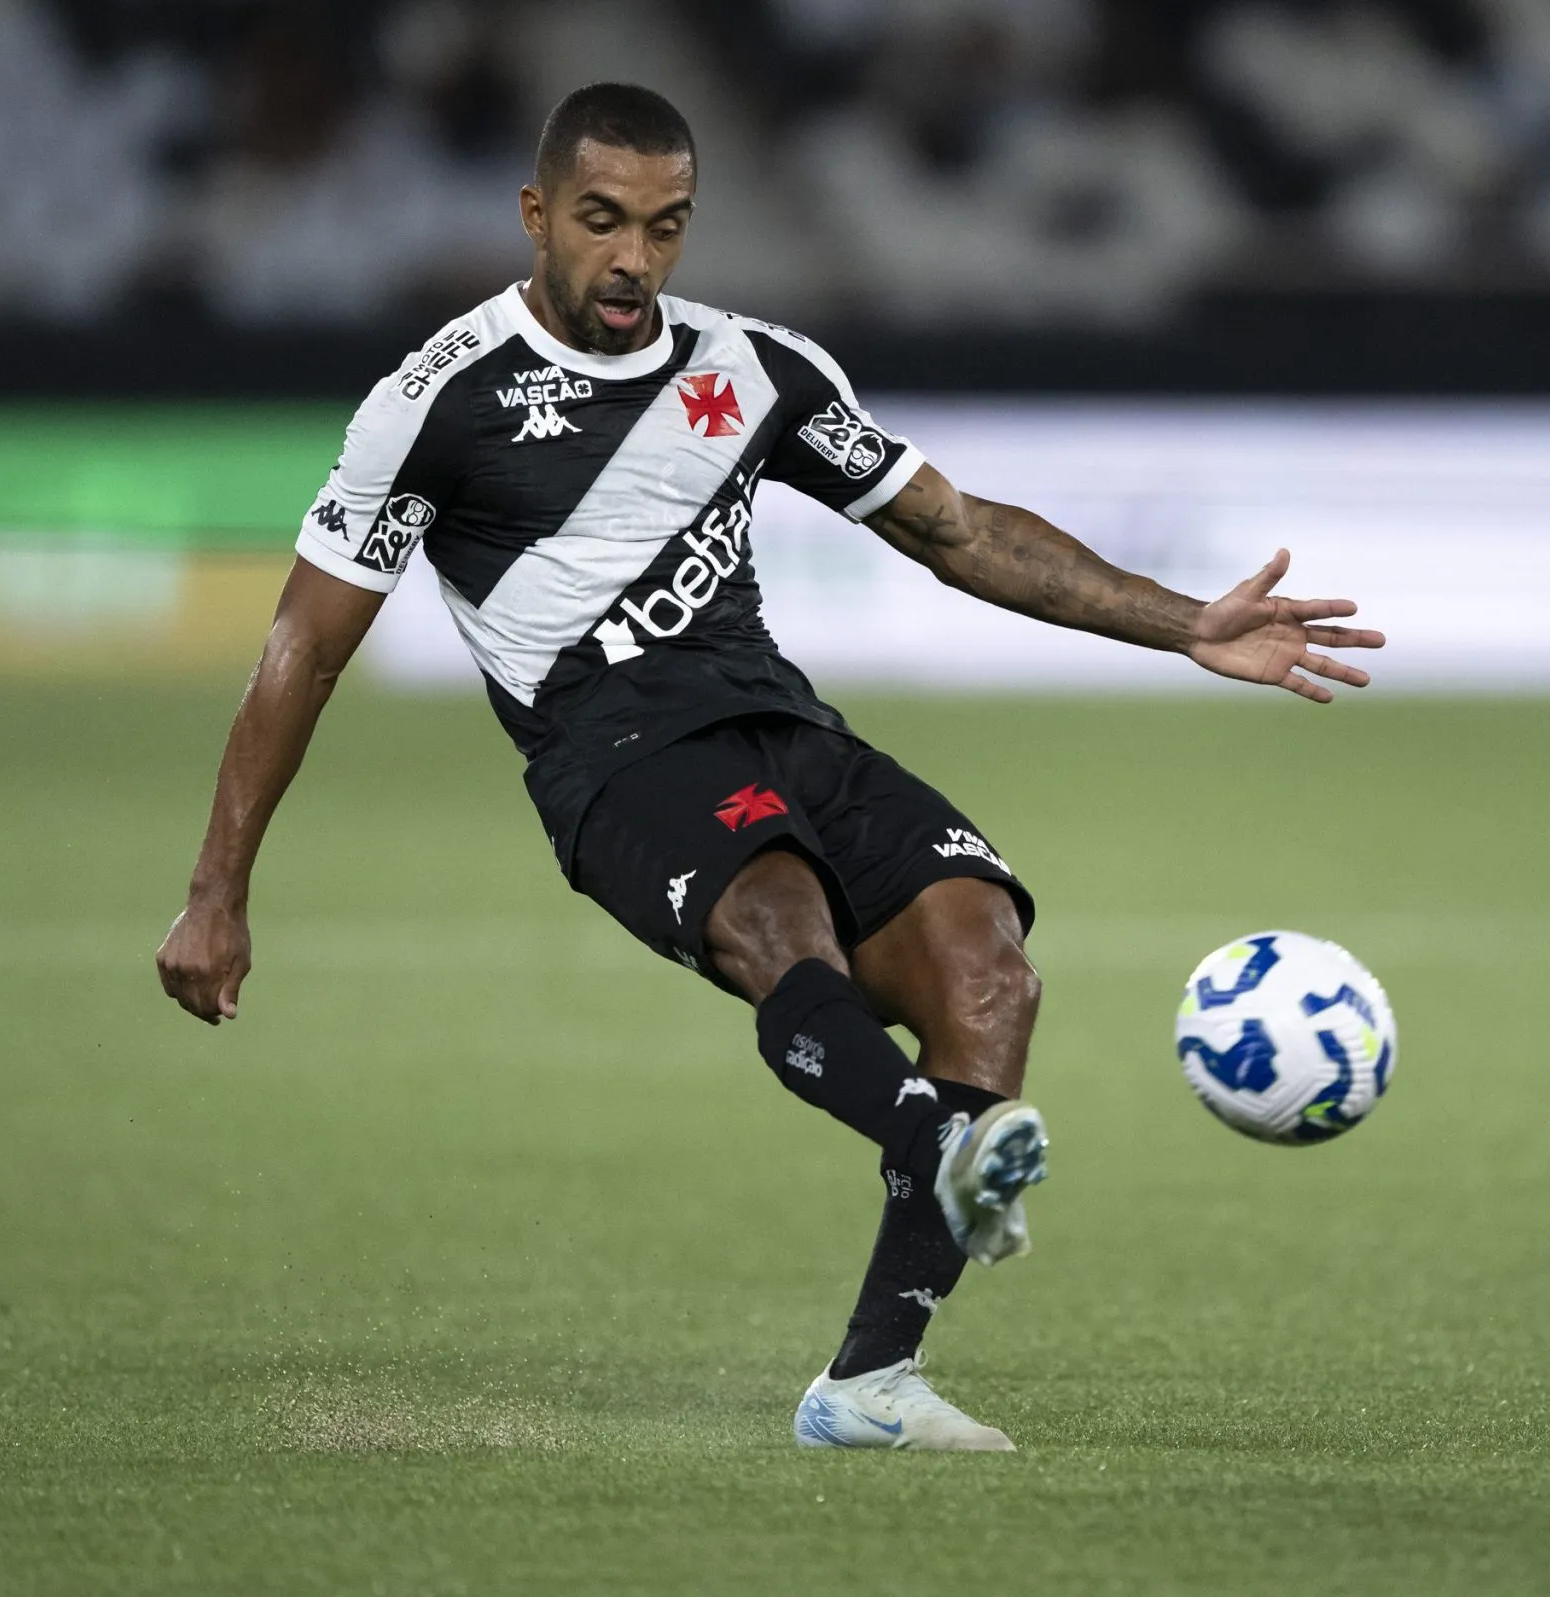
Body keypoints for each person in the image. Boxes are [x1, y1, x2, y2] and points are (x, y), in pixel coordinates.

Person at [153, 82, 1382, 1451]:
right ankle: (943, 1148)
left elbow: (960, 531)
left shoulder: (759, 371)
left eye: (666, 227)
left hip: (783, 726)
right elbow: (302, 652)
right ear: (536, 213)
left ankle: (870, 1385)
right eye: (603, 223)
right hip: (612, 754)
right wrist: (219, 889)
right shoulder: (436, 403)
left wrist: (1186, 624)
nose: (634, 261)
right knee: (779, 918)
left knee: (988, 966)